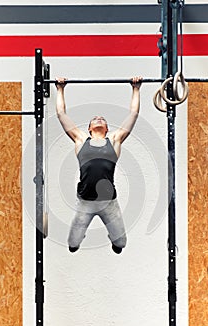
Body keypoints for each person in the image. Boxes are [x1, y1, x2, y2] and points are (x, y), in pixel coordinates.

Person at [55, 76, 143, 254]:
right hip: (85, 202)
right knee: (73, 244)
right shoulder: (80, 140)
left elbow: (133, 114)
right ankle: (80, 237)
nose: (98, 119)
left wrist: (136, 89)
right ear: (89, 128)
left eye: (102, 119)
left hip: (109, 203)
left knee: (121, 244)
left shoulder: (115, 140)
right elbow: (61, 114)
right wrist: (60, 89)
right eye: (94, 118)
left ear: (107, 128)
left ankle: (114, 240)